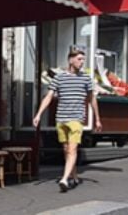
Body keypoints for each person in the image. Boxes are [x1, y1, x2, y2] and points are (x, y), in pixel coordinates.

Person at [32, 49, 102, 192]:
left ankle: (64, 179)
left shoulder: (86, 78)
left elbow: (91, 99)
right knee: (66, 150)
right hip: (61, 118)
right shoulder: (59, 78)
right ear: (70, 60)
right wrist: (38, 114)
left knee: (73, 149)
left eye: (83, 59)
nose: (82, 62)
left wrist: (97, 118)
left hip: (76, 118)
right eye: (79, 59)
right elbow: (49, 96)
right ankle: (74, 176)